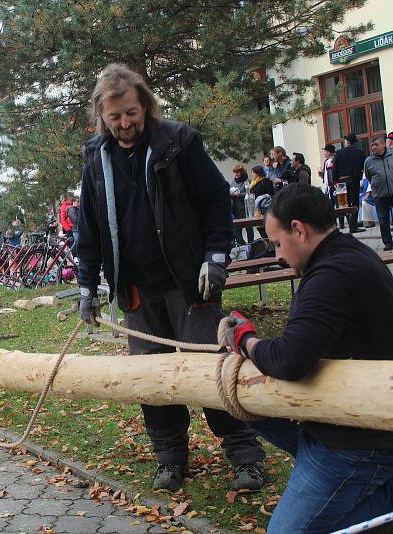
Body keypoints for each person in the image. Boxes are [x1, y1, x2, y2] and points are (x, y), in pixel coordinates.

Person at [76, 63, 265, 492]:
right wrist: (87, 284)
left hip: (189, 283)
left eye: (131, 113)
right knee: (153, 380)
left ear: (144, 104)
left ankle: (246, 455)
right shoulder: (95, 157)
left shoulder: (178, 143)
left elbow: (217, 201)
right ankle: (171, 458)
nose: (125, 123)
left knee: (212, 372)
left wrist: (215, 257)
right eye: (115, 116)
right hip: (136, 291)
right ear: (101, 116)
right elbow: (88, 227)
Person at [224, 183, 393, 533]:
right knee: (248, 409)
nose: (278, 256)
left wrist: (246, 340)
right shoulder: (350, 254)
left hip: (356, 440)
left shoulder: (331, 276)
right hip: (346, 424)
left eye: (277, 243)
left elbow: (289, 360)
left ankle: (379, 498)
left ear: (299, 230)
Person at [332, 132, 366, 233]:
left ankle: (350, 223)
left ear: (347, 141)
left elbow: (335, 168)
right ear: (354, 142)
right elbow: (362, 167)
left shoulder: (339, 153)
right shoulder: (359, 152)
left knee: (343, 204)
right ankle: (353, 225)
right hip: (354, 180)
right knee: (354, 203)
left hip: (341, 182)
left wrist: (335, 181)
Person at [364, 135, 393, 251]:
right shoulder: (368, 161)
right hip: (380, 195)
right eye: (372, 145)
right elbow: (368, 176)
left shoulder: (392, 155)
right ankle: (388, 243)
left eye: (376, 145)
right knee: (383, 220)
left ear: (383, 145)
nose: (373, 147)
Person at [229, 164, 253, 245]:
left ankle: (252, 246)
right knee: (236, 232)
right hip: (235, 210)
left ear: (242, 172)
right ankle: (243, 247)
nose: (236, 174)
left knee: (249, 230)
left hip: (245, 208)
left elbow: (249, 194)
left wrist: (238, 195)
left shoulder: (248, 181)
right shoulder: (233, 182)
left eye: (238, 172)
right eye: (235, 172)